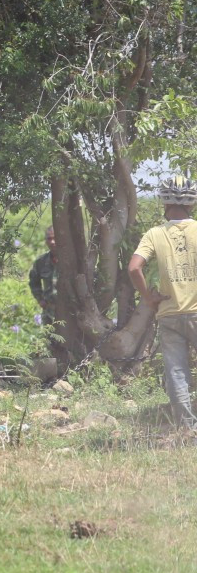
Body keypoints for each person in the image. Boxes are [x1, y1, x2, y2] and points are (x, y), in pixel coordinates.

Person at [128, 175, 197, 430]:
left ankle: (187, 430)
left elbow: (134, 268)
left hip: (168, 313)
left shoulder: (155, 234)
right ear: (192, 203)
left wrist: (148, 297)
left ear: (164, 202)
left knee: (176, 372)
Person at [29, 226, 59, 326]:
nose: (52, 242)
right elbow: (33, 282)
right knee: (50, 336)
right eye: (49, 239)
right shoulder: (41, 261)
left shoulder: (71, 260)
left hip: (70, 313)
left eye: (55, 238)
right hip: (49, 313)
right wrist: (40, 299)